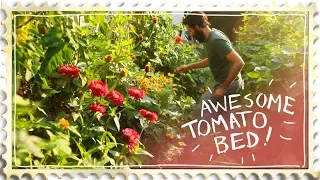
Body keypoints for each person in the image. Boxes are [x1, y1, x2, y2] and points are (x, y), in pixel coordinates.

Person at [177, 11, 245, 130]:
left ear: (197, 27)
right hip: (231, 82)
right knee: (225, 118)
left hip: (229, 84)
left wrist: (223, 88)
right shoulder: (211, 37)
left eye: (191, 31)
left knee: (203, 107)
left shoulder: (216, 40)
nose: (191, 35)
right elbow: (213, 59)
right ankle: (229, 142)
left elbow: (239, 62)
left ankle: (195, 139)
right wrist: (188, 66)